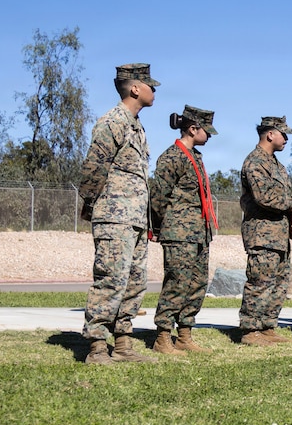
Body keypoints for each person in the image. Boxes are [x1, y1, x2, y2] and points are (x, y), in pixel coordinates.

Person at [78, 63, 160, 365]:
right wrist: (92, 205)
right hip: (114, 217)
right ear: (135, 88)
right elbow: (93, 169)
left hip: (135, 219)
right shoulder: (112, 122)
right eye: (151, 85)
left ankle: (123, 343)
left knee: (134, 282)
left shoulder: (136, 126)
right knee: (110, 279)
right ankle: (97, 345)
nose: (155, 91)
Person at [149, 105, 219, 355]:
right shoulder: (172, 157)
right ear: (192, 129)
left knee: (197, 284)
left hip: (199, 233)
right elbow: (158, 196)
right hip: (179, 234)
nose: (209, 136)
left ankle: (185, 334)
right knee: (177, 283)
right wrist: (165, 226)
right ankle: (162, 336)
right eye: (206, 131)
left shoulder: (196, 157)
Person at [238, 116, 292, 347]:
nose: (286, 139)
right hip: (261, 232)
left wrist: (291, 218)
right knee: (260, 281)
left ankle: (267, 325)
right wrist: (291, 206)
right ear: (270, 134)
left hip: (279, 234)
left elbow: (284, 197)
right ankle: (250, 329)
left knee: (278, 282)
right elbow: (263, 196)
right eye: (283, 134)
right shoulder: (255, 161)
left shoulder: (276, 164)